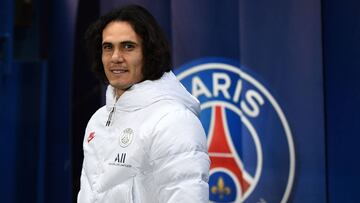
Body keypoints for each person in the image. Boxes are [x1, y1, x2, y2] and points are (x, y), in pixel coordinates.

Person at [77, 4, 210, 203]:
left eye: (128, 46)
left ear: (149, 53)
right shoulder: (99, 120)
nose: (115, 57)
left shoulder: (173, 120)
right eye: (108, 47)